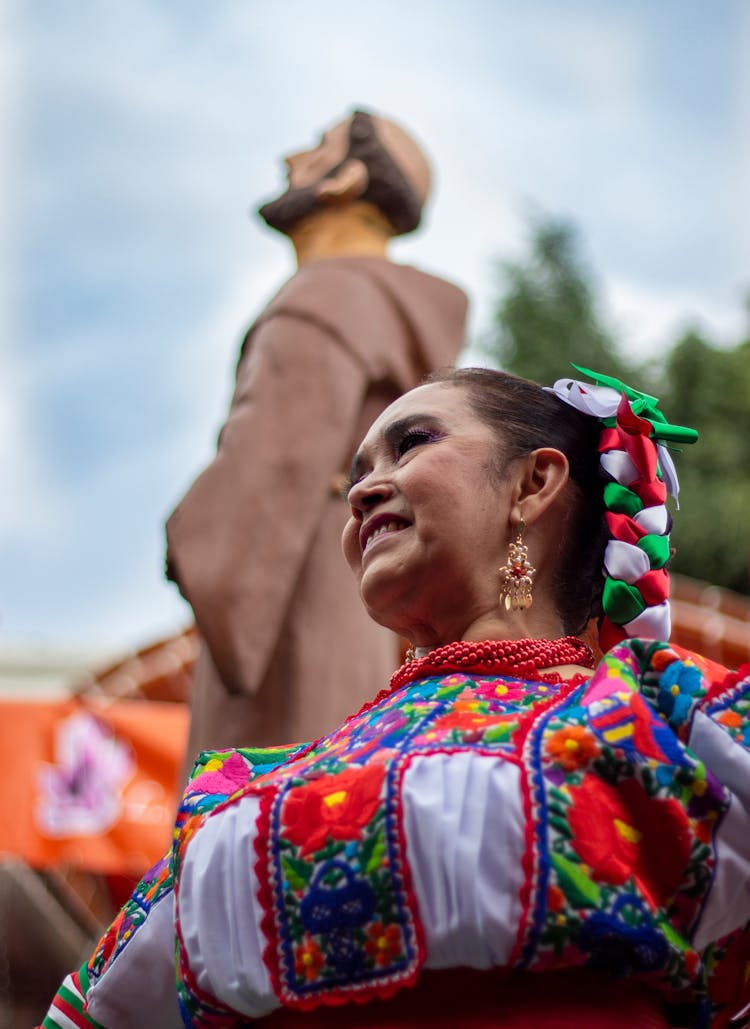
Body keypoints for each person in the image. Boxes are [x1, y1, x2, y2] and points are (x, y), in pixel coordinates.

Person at [43, 366, 750, 1029]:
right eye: (356, 475)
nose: (362, 492)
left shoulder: (661, 716)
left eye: (411, 443)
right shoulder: (245, 790)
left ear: (534, 482)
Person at [165, 108, 468, 769]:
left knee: (262, 797)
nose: (290, 158)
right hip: (345, 586)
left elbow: (267, 467)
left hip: (284, 587)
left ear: (345, 180)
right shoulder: (389, 315)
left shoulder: (326, 298)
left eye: (317, 148)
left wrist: (190, 533)